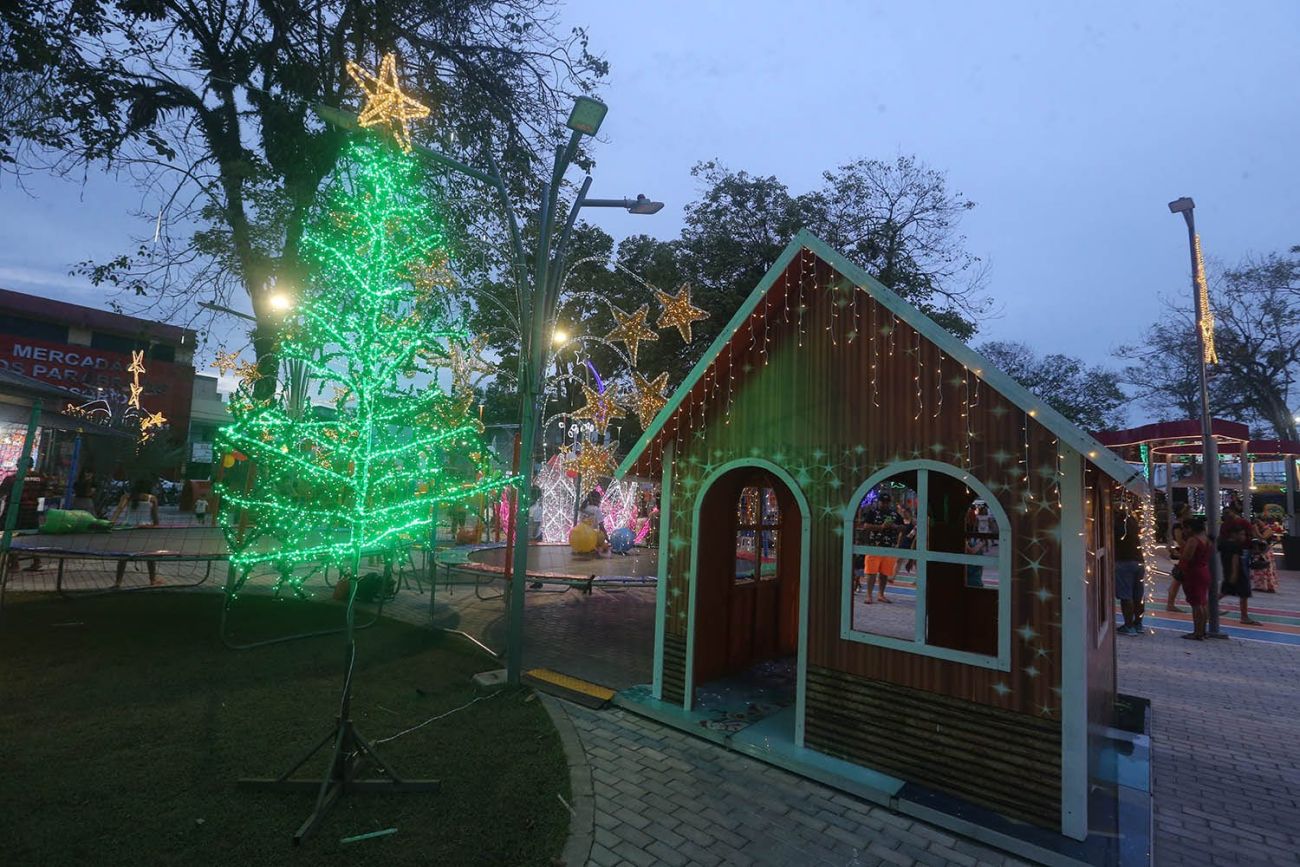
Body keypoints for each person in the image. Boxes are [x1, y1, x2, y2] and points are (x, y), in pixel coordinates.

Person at [109, 478, 162, 588]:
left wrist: (110, 523)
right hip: (145, 529)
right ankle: (152, 580)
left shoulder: (127, 497)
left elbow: (119, 510)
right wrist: (151, 526)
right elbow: (156, 520)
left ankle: (118, 582)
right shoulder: (152, 498)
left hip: (128, 528)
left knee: (123, 555)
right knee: (149, 554)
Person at [1217, 510, 1260, 625]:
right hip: (1237, 573)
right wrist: (1235, 574)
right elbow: (1235, 561)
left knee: (1226, 591)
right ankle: (1244, 616)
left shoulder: (1224, 540)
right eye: (1242, 535)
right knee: (1244, 592)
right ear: (1234, 534)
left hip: (1229, 572)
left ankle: (1209, 606)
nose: (1244, 537)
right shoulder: (1237, 545)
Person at [858, 492, 902, 604]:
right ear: (879, 502)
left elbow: (903, 527)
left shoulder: (894, 514)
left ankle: (881, 595)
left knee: (885, 573)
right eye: (883, 502)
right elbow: (866, 526)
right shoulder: (872, 512)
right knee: (871, 572)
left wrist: (895, 526)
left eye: (887, 502)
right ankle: (869, 596)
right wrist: (881, 527)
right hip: (874, 546)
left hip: (889, 547)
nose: (885, 504)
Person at [1178, 516, 1211, 640]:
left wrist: (1177, 554)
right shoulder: (1206, 539)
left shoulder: (1193, 540)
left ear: (1190, 528)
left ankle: (1197, 632)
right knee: (1202, 602)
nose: (1183, 531)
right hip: (1204, 570)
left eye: (1184, 528)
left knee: (1196, 604)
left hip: (1193, 572)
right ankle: (1202, 630)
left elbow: (1187, 557)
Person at [1114, 510, 1145, 635]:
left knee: (1126, 596)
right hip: (1139, 561)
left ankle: (1129, 625)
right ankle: (1138, 624)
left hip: (1124, 561)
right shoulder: (1132, 522)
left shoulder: (1117, 524)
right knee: (1138, 595)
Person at [1166, 505, 1191, 612]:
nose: (1190, 514)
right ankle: (1170, 604)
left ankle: (1170, 603)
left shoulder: (1183, 524)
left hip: (1181, 553)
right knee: (1178, 579)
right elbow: (1179, 540)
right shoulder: (1178, 526)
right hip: (1180, 554)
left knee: (1178, 580)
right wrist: (1190, 548)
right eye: (1188, 512)